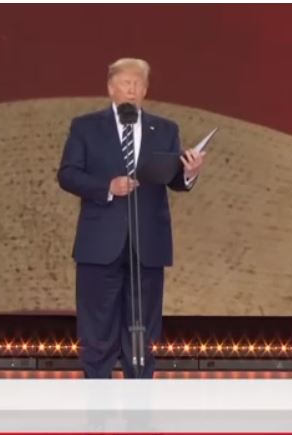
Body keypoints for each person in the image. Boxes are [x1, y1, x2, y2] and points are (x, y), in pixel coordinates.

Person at [57, 58, 205, 378]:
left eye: (138, 84)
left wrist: (189, 173)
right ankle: (97, 392)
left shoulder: (165, 129)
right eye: (125, 83)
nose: (131, 90)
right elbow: (68, 174)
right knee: (97, 328)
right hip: (99, 244)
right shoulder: (85, 127)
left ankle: (140, 392)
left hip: (147, 244)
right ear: (111, 88)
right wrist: (106, 187)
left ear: (146, 90)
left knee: (144, 330)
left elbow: (173, 179)